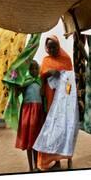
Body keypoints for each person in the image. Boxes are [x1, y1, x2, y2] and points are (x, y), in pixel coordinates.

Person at [34, 35, 76, 171]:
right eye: (49, 47)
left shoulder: (67, 59)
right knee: (51, 129)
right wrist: (49, 73)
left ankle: (67, 159)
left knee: (64, 129)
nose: (52, 49)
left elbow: (71, 81)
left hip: (64, 101)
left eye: (54, 46)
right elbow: (41, 79)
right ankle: (54, 161)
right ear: (46, 48)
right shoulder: (45, 61)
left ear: (59, 46)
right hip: (50, 99)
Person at [15, 60, 45, 171]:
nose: (34, 71)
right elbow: (16, 89)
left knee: (36, 141)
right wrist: (15, 73)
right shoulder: (24, 82)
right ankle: (30, 167)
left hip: (38, 114)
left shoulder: (40, 82)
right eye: (31, 69)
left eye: (36, 68)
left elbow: (44, 97)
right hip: (28, 113)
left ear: (38, 69)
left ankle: (37, 165)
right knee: (29, 141)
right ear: (28, 70)